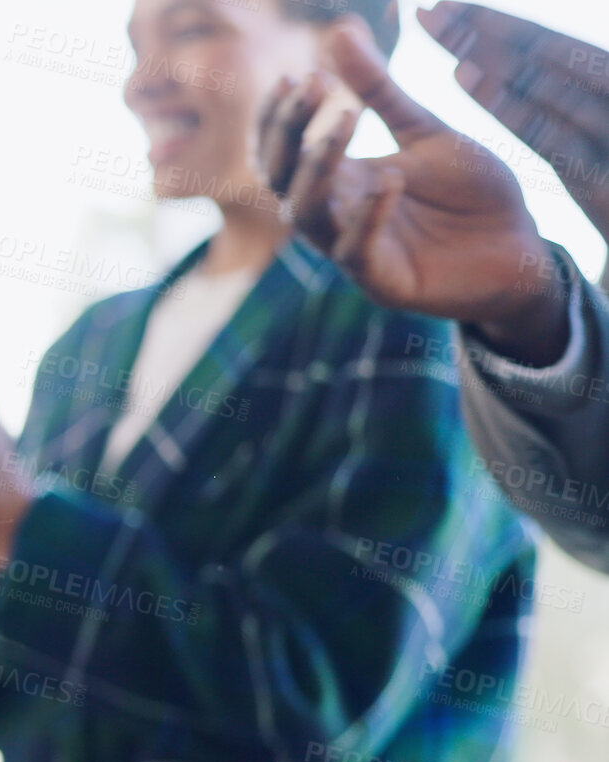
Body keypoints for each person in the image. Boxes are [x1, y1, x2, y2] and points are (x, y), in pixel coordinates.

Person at [0, 2, 533, 762]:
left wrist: (20, 523)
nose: (141, 78)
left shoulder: (428, 316)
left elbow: (320, 686)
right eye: (133, 46)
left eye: (193, 29)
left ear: (348, 44)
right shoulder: (89, 348)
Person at [258, 1, 609, 571]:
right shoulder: (102, 331)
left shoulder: (397, 334)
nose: (138, 86)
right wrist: (530, 314)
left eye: (194, 28)